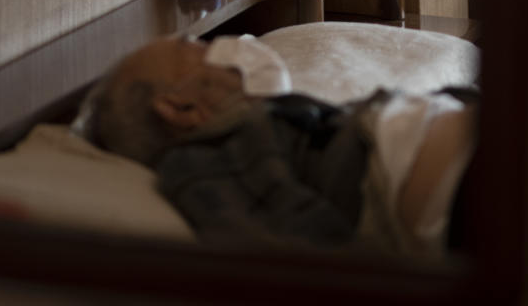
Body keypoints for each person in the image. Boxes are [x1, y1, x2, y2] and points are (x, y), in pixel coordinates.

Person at [73, 36, 477, 255]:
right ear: (181, 107)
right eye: (193, 47)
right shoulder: (202, 159)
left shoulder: (270, 115)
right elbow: (280, 248)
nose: (214, 44)